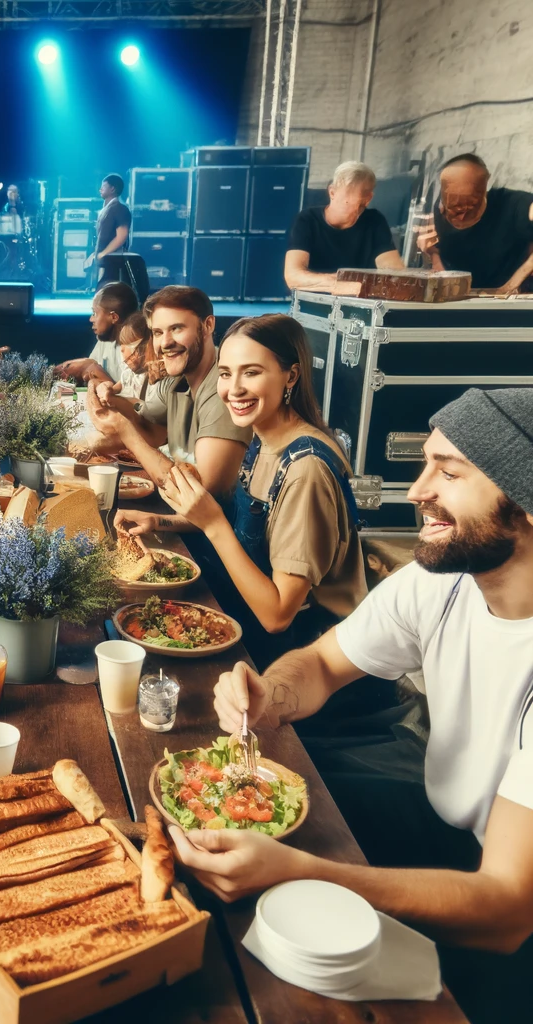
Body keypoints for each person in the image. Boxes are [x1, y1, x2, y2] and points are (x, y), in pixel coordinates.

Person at [174, 388, 533, 1024]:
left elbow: (507, 909)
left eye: (448, 473)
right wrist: (267, 697)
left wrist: (299, 874)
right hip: (450, 823)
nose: (416, 491)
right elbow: (320, 663)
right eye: (426, 464)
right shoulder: (441, 581)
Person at [156, 314, 367, 667]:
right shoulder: (263, 436)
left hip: (304, 663)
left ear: (292, 376)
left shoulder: (306, 470)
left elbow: (278, 616)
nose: (233, 389)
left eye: (251, 372)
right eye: (225, 373)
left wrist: (212, 525)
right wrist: (157, 523)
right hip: (251, 631)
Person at [86, 286, 250, 494]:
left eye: (177, 329)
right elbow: (151, 430)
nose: (165, 343)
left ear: (208, 325)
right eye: (157, 332)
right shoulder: (176, 375)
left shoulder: (225, 388)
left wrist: (123, 429)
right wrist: (105, 397)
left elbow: (204, 496)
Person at [419, 153, 533, 294]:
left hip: (507, 303)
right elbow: (438, 252)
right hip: (462, 300)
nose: (461, 217)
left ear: (483, 191)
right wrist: (432, 257)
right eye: (453, 209)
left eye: (471, 206)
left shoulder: (511, 204)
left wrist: (514, 282)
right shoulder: (438, 210)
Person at [284, 161, 404, 293]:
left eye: (359, 202)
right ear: (332, 193)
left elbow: (394, 273)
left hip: (359, 306)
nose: (352, 208)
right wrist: (348, 286)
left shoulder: (374, 221)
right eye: (346, 200)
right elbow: (293, 277)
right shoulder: (307, 220)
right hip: (313, 304)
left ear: (368, 198)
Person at [56, 282, 140, 391]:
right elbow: (89, 368)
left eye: (95, 313)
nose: (91, 319)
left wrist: (92, 368)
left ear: (114, 317)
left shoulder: (136, 351)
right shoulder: (105, 340)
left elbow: (129, 398)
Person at [85, 174, 131, 284]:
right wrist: (96, 254)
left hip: (113, 261)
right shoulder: (107, 209)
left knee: (108, 293)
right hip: (106, 260)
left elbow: (122, 236)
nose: (100, 189)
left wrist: (103, 253)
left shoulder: (120, 209)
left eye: (103, 186)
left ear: (112, 189)